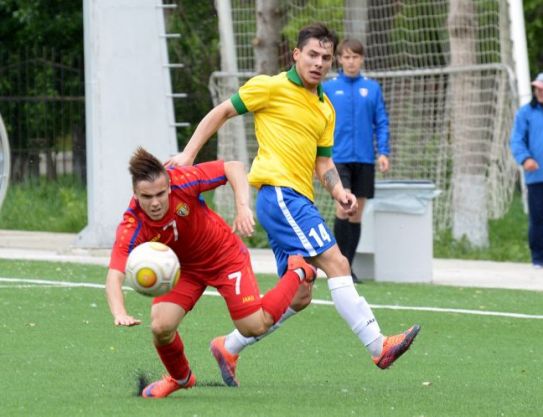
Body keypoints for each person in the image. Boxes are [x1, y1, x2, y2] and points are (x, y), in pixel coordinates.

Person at [168, 23, 420, 388]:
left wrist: (339, 192)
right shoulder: (269, 87)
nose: (319, 63)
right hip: (280, 194)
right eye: (313, 55)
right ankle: (378, 345)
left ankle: (229, 346)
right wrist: (189, 155)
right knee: (337, 262)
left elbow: (323, 162)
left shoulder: (324, 108)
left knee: (300, 294)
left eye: (326, 58)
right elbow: (221, 112)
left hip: (296, 198)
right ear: (296, 55)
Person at [105, 147, 315, 398]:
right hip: (184, 270)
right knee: (161, 326)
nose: (155, 202)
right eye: (147, 197)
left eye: (161, 194)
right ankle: (180, 377)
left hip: (224, 257)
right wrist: (120, 312)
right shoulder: (132, 225)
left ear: (169, 185)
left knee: (255, 326)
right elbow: (114, 276)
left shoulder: (184, 180)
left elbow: (233, 167)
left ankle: (299, 270)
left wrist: (242, 207)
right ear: (136, 194)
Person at [322, 38, 390, 284]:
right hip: (337, 158)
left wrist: (383, 152)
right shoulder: (329, 88)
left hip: (364, 158)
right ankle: (337, 266)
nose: (351, 62)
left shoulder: (372, 88)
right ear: (339, 59)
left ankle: (347, 267)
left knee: (357, 213)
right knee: (344, 206)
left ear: (361, 59)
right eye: (346, 57)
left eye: (355, 57)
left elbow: (381, 121)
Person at [510, 72, 543, 269]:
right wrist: (525, 158)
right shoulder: (525, 114)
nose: (539, 92)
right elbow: (516, 140)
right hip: (536, 176)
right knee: (538, 218)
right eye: (538, 89)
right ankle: (538, 259)